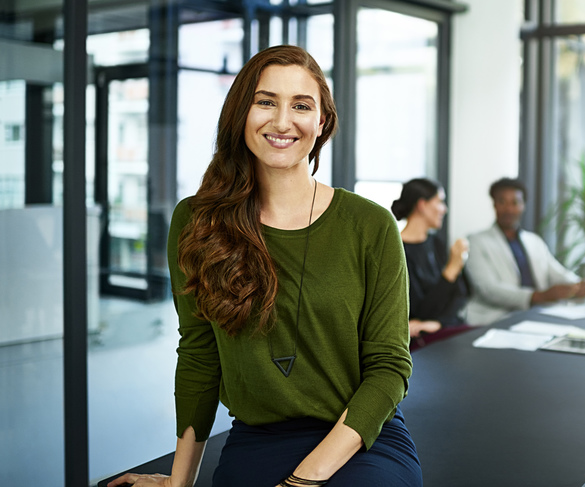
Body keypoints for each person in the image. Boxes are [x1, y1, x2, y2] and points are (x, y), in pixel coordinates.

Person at [108, 45, 421, 487]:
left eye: (301, 105)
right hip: (259, 439)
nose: (281, 121)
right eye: (265, 101)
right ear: (241, 114)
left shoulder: (371, 225)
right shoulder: (198, 222)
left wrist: (302, 481)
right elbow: (199, 358)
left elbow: (390, 367)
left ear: (322, 122)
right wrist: (179, 484)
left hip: (361, 438)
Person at [464, 177, 585, 325]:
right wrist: (537, 296)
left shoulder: (534, 241)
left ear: (523, 205)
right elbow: (488, 289)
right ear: (494, 205)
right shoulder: (476, 241)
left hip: (536, 316)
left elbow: (557, 272)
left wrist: (576, 285)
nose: (509, 209)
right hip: (496, 319)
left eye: (515, 202)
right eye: (502, 202)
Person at [391, 178, 472, 349]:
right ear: (422, 205)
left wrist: (440, 324)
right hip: (420, 341)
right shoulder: (396, 251)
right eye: (440, 201)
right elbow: (419, 312)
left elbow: (461, 294)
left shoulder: (437, 243)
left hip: (446, 329)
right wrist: (451, 269)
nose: (445, 209)